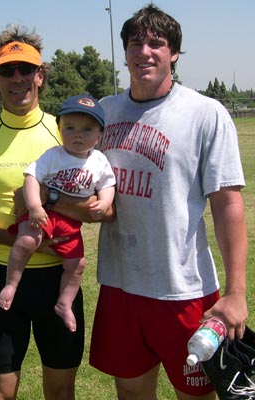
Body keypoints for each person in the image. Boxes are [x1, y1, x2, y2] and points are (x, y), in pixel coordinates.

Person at [0, 25, 113, 400]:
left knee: (61, 390)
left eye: (25, 69)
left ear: (41, 75)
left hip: (58, 279)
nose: (17, 78)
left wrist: (44, 201)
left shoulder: (68, 131)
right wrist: (10, 237)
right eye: (6, 70)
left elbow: (105, 210)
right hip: (4, 277)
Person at [89, 4, 248, 400]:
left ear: (173, 53)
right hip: (120, 286)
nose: (145, 51)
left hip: (185, 291)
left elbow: (227, 204)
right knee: (131, 394)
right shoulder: (104, 113)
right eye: (136, 43)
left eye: (156, 44)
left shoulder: (204, 113)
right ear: (124, 51)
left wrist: (236, 293)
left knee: (198, 396)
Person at [0, 94, 116, 333]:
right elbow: (31, 178)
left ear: (99, 135)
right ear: (60, 130)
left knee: (77, 263)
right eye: (69, 128)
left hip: (71, 223)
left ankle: (64, 303)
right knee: (26, 241)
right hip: (43, 216)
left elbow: (107, 185)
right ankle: (11, 284)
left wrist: (104, 203)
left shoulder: (100, 161)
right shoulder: (53, 155)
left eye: (87, 129)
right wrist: (34, 207)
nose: (78, 134)